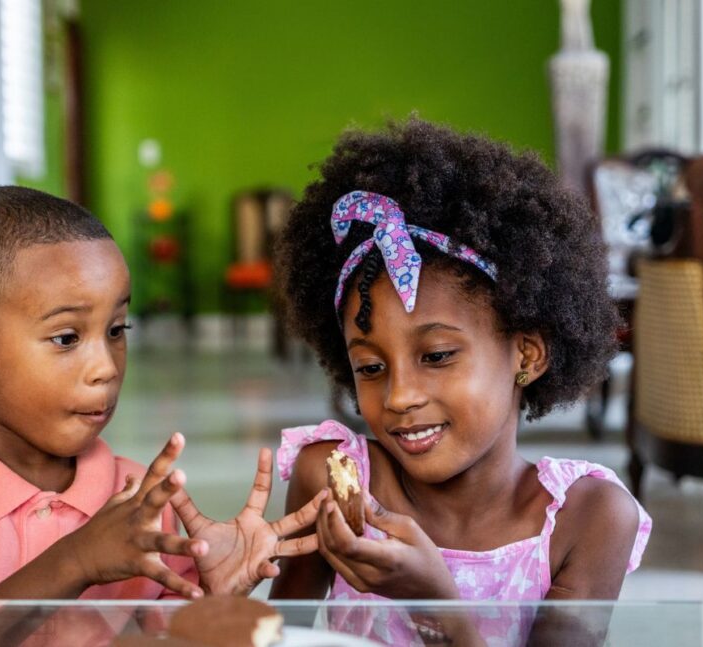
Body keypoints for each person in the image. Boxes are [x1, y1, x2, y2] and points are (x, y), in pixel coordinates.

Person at [269, 119, 652, 645]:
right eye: (371, 368)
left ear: (529, 353)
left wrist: (435, 606)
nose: (400, 396)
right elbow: (279, 637)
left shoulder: (587, 520)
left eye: (438, 355)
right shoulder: (334, 483)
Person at [0, 186, 321, 607]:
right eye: (66, 338)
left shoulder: (135, 499)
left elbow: (160, 640)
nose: (107, 368)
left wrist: (208, 593)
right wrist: (74, 561)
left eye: (117, 329)